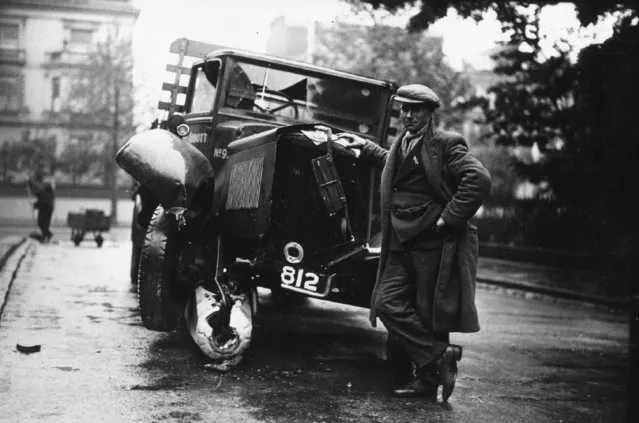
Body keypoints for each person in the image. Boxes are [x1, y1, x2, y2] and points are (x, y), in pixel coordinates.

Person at [337, 84, 491, 401]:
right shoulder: (403, 142)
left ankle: (426, 382)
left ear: (429, 113)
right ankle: (439, 355)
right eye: (403, 109)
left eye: (415, 110)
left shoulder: (445, 144)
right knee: (385, 302)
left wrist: (448, 218)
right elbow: (399, 169)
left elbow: (478, 179)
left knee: (427, 312)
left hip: (431, 243)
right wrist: (366, 148)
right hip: (399, 240)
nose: (408, 115)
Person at [27, 170, 55, 243]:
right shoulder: (46, 193)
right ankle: (47, 235)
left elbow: (40, 198)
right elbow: (37, 192)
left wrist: (35, 205)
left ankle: (46, 236)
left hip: (46, 210)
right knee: (41, 223)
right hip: (45, 209)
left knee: (43, 224)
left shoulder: (46, 194)